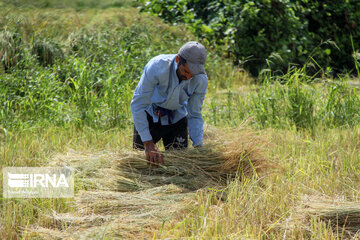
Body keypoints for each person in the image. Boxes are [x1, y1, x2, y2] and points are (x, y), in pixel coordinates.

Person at [131, 41, 208, 165]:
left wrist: (199, 146)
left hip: (177, 118)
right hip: (151, 115)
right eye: (186, 72)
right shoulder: (156, 67)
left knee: (179, 165)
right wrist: (148, 143)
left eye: (192, 75)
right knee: (141, 164)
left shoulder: (200, 79)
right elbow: (138, 104)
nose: (189, 78)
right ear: (178, 60)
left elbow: (194, 114)